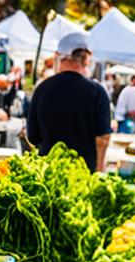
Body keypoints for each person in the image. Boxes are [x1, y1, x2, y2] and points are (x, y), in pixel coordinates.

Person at [25, 33, 112, 171]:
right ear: (86, 59)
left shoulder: (42, 89)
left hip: (48, 173)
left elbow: (33, 137)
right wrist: (99, 171)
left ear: (59, 56)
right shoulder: (98, 92)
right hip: (83, 176)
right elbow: (103, 139)